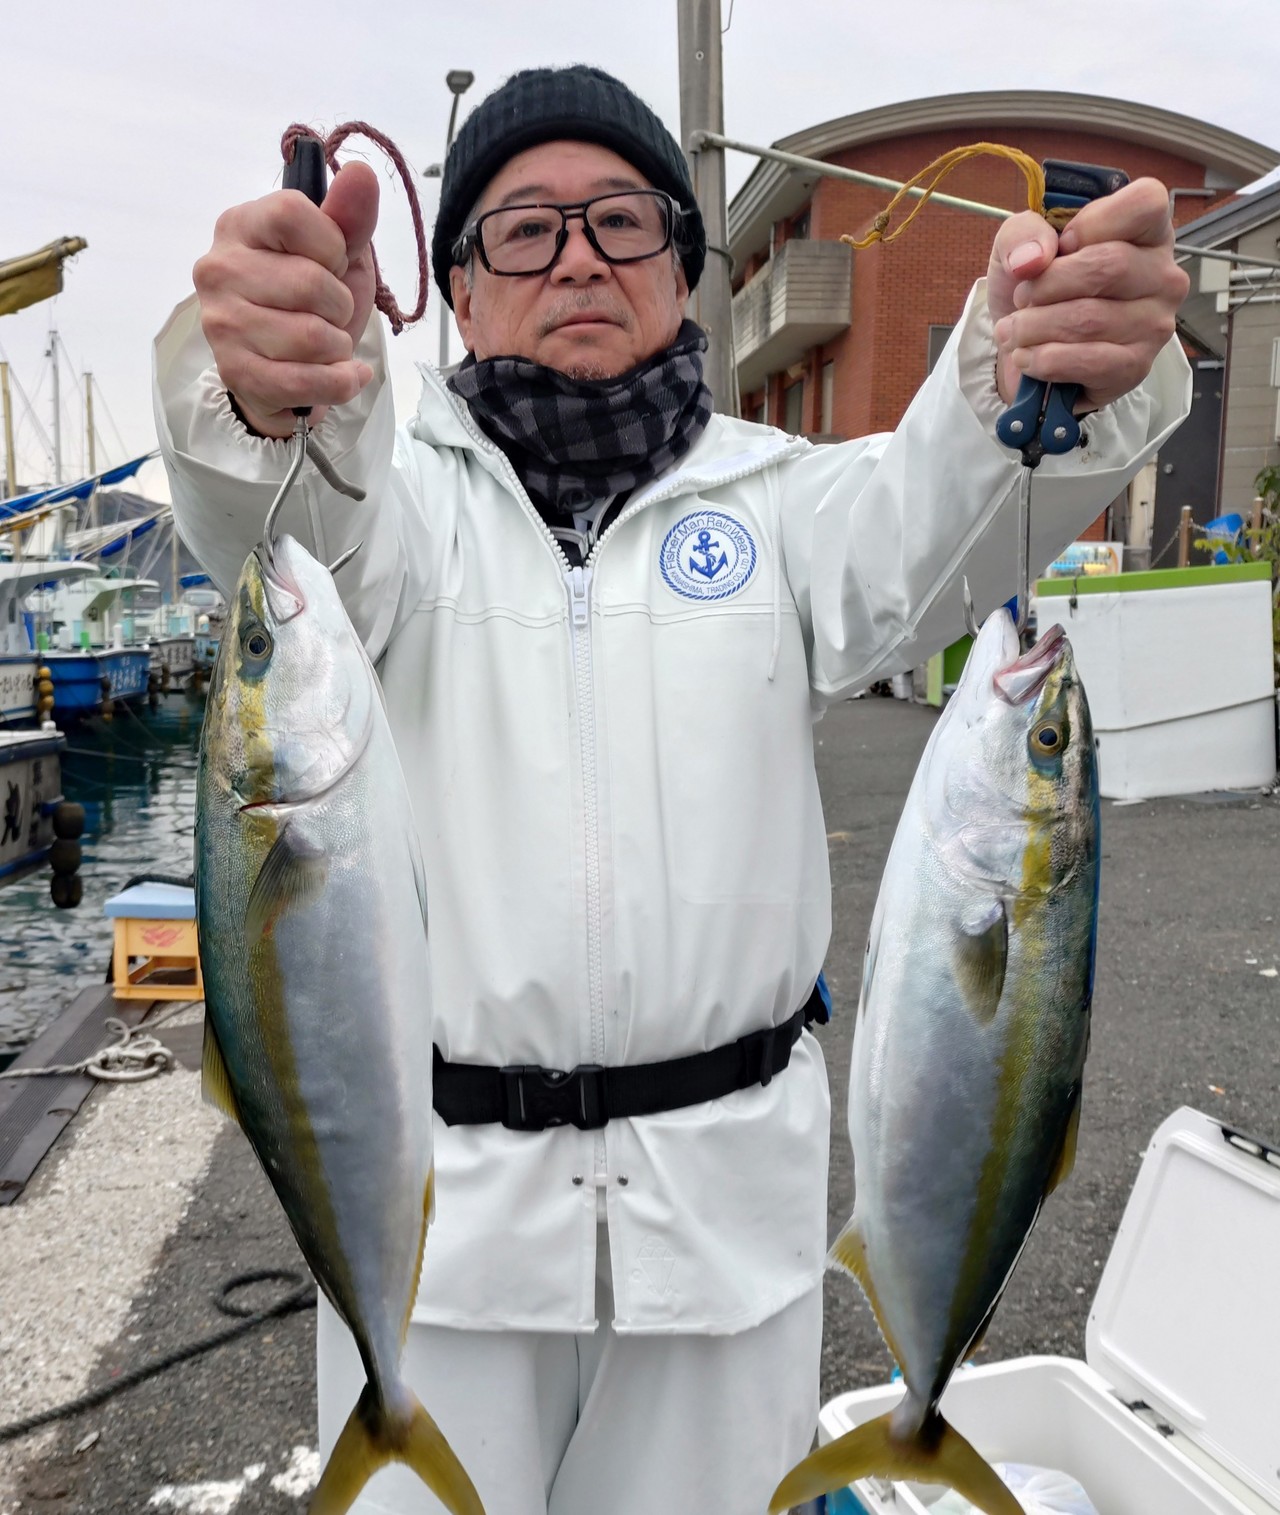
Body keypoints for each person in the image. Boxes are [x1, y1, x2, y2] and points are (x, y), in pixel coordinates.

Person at [154, 65, 1189, 1515]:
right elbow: (282, 513)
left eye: (623, 220)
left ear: (683, 267)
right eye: (524, 228)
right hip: (437, 1244)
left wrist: (1056, 373)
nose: (578, 257)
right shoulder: (394, 504)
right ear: (457, 290)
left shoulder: (785, 500)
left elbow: (944, 507)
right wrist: (265, 398)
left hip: (726, 1250)